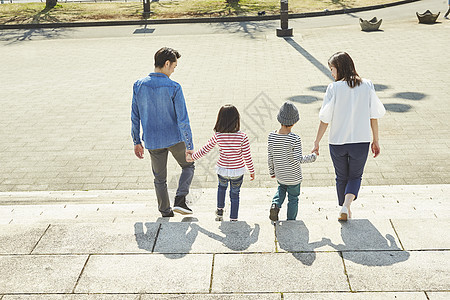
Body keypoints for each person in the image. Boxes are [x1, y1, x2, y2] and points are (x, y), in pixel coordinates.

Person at [312, 51, 386, 221]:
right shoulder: (367, 85)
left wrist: (316, 142)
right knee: (355, 176)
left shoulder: (333, 88)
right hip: (361, 141)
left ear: (340, 68)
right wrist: (376, 140)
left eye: (332, 69)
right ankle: (346, 206)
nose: (331, 73)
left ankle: (344, 208)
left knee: (341, 176)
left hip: (337, 142)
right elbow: (373, 115)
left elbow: (325, 118)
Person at [131, 47, 195, 217]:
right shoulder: (174, 87)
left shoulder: (138, 85)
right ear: (167, 64)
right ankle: (180, 199)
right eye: (174, 67)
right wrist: (189, 146)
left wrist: (136, 141)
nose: (173, 71)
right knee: (188, 166)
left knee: (160, 179)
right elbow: (183, 120)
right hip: (174, 138)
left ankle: (165, 211)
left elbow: (134, 116)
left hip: (152, 140)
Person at [187, 105, 255, 222]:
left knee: (221, 188)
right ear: (237, 119)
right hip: (237, 171)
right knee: (235, 195)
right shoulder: (242, 137)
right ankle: (233, 218)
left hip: (222, 169)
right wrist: (252, 171)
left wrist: (193, 157)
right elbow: (247, 156)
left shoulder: (218, 136)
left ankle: (219, 210)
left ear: (220, 120)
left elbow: (205, 149)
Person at [268, 101, 317, 222]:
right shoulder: (295, 138)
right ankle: (290, 220)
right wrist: (313, 156)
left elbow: (270, 157)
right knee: (293, 198)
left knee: (281, 189)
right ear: (294, 122)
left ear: (279, 118)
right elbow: (299, 159)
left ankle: (275, 204)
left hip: (280, 174)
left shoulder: (271, 136)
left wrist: (272, 171)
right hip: (294, 177)